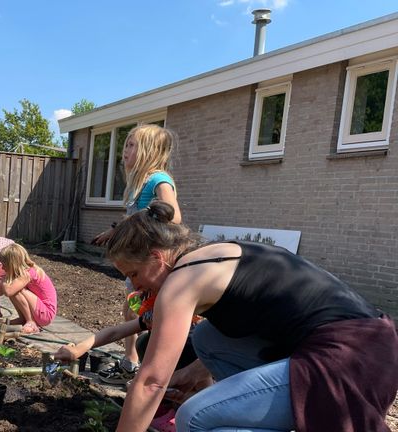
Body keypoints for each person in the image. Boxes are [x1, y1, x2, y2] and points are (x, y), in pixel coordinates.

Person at [56, 201, 398, 432]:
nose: (135, 285)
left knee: (195, 416)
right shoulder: (212, 255)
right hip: (378, 347)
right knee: (207, 338)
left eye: (134, 273)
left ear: (158, 258)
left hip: (347, 360)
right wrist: (190, 375)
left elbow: (151, 382)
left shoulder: (181, 282)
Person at [91, 124, 182, 385]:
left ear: (149, 151)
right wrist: (113, 231)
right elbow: (131, 217)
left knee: (148, 315)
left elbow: (174, 215)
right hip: (137, 264)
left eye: (132, 145)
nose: (125, 151)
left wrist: (144, 219)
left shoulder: (158, 180)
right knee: (131, 310)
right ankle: (131, 362)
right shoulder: (136, 185)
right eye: (126, 145)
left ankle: (150, 369)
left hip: (152, 265)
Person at [0, 243, 58, 334]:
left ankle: (30, 322)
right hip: (40, 311)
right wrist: (6, 279)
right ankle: (24, 319)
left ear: (12, 264)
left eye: (4, 264)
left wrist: (5, 278)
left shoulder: (28, 273)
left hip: (46, 314)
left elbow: (8, 291)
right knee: (13, 288)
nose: (2, 267)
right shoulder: (22, 273)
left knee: (15, 290)